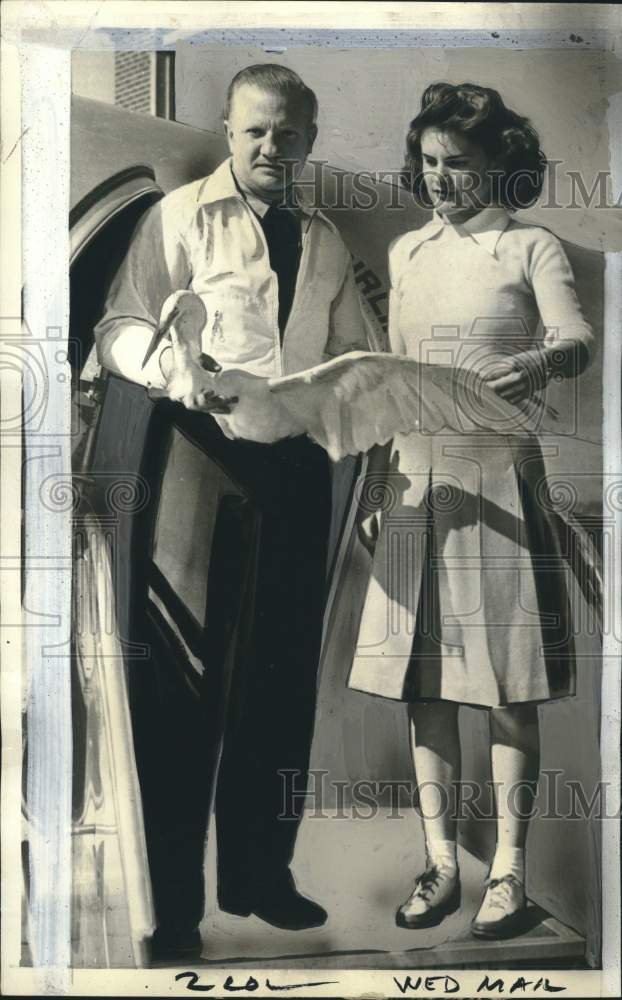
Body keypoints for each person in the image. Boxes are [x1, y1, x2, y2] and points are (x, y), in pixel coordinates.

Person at [94, 64, 369, 959]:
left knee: (281, 678)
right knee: (179, 685)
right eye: (255, 130)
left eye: (288, 134)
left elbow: (356, 352)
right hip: (196, 460)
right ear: (227, 127)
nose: (270, 147)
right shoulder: (178, 217)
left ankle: (259, 875)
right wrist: (176, 372)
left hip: (295, 468)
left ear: (309, 142)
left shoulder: (324, 238)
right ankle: (173, 909)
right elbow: (118, 326)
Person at [350, 83, 594, 939]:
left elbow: (576, 340)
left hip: (498, 476)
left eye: (458, 164)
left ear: (499, 164)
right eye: (429, 164)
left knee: (506, 689)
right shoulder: (408, 253)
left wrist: (532, 367)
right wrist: (381, 484)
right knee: (425, 687)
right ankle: (444, 863)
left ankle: (511, 876)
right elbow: (391, 381)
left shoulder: (531, 245)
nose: (442, 179)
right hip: (418, 479)